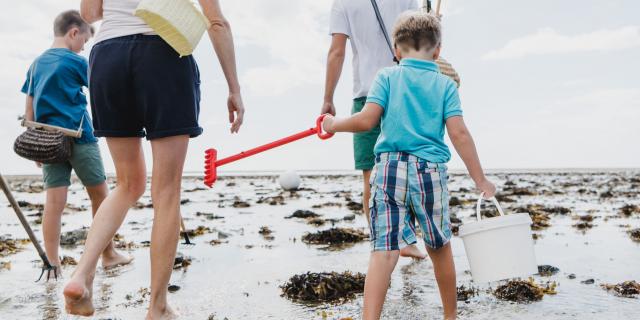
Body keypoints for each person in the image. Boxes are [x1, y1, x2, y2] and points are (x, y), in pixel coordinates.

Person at [63, 1, 245, 319]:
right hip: (164, 51)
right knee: (166, 191)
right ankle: (157, 306)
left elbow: (90, 15)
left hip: (107, 55)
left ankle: (82, 275)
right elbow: (216, 22)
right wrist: (234, 88)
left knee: (127, 184)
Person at [321, 12, 496, 320]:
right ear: (438, 51)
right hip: (429, 172)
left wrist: (334, 124)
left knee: (384, 250)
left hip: (389, 170)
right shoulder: (445, 86)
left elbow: (366, 120)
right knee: (439, 247)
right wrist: (480, 180)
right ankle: (450, 317)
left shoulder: (387, 76)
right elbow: (459, 134)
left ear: (396, 51)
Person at [20, 10, 132, 277]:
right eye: (84, 41)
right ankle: (108, 253)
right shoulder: (75, 61)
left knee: (54, 204)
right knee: (101, 196)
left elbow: (29, 106)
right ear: (74, 32)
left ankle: (53, 263)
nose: (83, 48)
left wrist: (32, 140)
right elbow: (101, 88)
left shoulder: (36, 64)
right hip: (80, 137)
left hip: (47, 140)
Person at [323, 0, 426, 260]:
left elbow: (337, 52)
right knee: (408, 167)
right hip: (405, 90)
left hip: (367, 95)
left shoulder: (342, 4)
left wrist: (328, 98)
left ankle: (381, 244)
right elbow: (421, 39)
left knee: (371, 176)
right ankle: (408, 241)